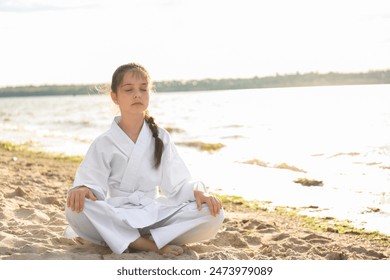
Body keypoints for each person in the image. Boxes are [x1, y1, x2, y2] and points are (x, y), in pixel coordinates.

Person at [65, 62, 224, 256]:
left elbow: (177, 184)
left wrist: (197, 192)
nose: (137, 94)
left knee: (214, 213)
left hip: (154, 213)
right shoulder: (104, 142)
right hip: (118, 214)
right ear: (114, 96)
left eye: (143, 89)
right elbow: (91, 181)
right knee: (75, 208)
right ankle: (147, 244)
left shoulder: (161, 137)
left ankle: (126, 237)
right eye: (129, 89)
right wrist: (84, 188)